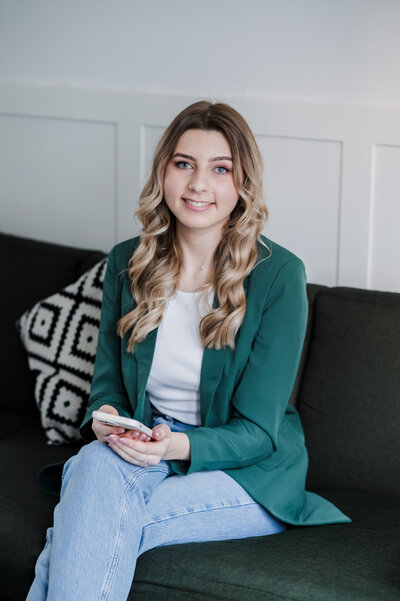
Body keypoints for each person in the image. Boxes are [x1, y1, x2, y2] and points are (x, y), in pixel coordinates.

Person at [26, 101, 350, 601]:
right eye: (184, 164)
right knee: (91, 468)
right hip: (149, 443)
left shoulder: (279, 275)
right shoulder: (126, 263)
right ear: (164, 173)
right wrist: (105, 418)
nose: (199, 184)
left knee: (86, 521)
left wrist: (174, 447)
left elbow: (259, 433)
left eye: (220, 169)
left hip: (248, 471)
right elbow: (108, 386)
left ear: (241, 185)